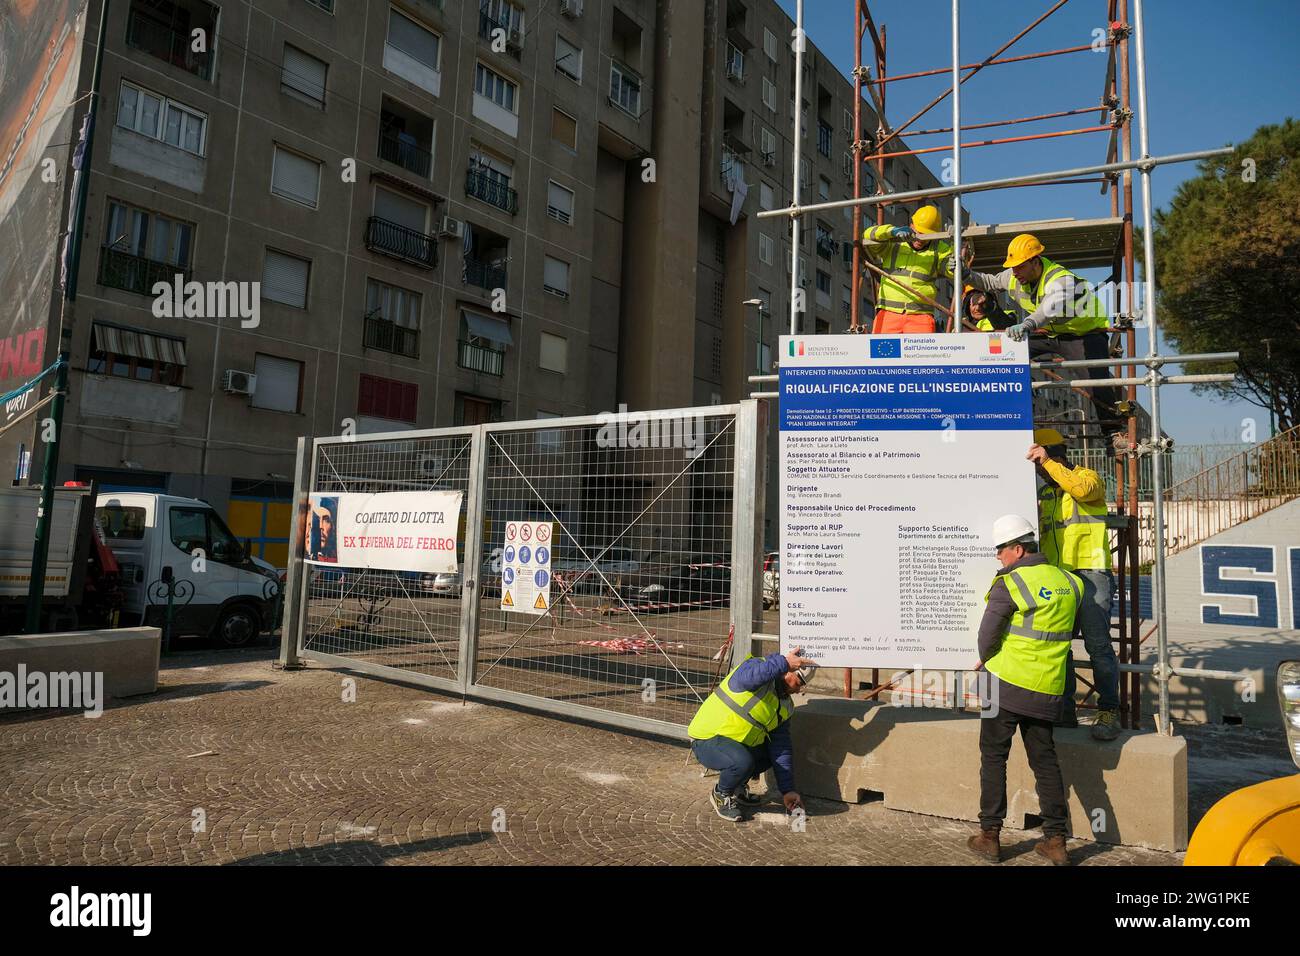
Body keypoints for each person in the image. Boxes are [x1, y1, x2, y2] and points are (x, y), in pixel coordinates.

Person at [968, 514, 1081, 866]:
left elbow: (987, 635)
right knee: (1045, 762)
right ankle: (1056, 841)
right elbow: (1070, 632)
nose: (998, 557)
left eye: (1000, 550)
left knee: (992, 757)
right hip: (1047, 688)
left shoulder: (1011, 582)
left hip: (1002, 683)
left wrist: (985, 659)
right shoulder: (1071, 583)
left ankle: (990, 837)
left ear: (1018, 549)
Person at [963, 234, 1126, 448]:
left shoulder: (1061, 279)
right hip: (1049, 334)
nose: (1015, 272)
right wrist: (964, 273)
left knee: (1095, 379)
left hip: (1084, 334)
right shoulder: (1014, 276)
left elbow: (1050, 307)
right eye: (1013, 267)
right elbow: (989, 282)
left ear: (1035, 261)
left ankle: (1113, 433)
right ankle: (999, 416)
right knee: (1004, 353)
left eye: (1020, 267)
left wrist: (1027, 324)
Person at [1029, 428, 1121, 740]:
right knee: (1058, 646)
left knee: (1098, 646)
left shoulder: (1088, 477)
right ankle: (1064, 710)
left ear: (1054, 454)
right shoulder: (1046, 494)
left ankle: (1108, 711)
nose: (1039, 470)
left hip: (1091, 574)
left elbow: (1081, 490)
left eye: (1040, 461)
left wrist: (1049, 463)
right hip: (1059, 577)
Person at [687, 646, 817, 822]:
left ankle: (738, 787)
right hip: (707, 739)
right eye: (799, 682)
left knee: (770, 755)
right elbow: (751, 677)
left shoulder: (785, 706)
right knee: (742, 762)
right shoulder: (754, 668)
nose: (799, 690)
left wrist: (787, 791)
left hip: (734, 745)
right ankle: (721, 793)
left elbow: (781, 749)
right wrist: (784, 662)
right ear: (788, 671)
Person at [860, 204, 953, 334]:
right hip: (888, 313)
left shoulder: (940, 248)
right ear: (911, 225)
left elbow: (951, 269)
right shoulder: (894, 243)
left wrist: (953, 263)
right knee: (882, 353)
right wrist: (891, 231)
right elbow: (868, 234)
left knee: (921, 354)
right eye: (919, 232)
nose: (921, 238)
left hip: (921, 316)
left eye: (926, 235)